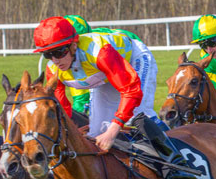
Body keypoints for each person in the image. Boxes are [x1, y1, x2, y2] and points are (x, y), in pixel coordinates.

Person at [33, 16, 169, 154]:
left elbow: (131, 90)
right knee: (96, 130)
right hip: (103, 71)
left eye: (59, 52)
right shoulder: (53, 69)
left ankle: (175, 150)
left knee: (138, 115)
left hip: (133, 58)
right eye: (48, 54)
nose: (55, 60)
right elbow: (63, 111)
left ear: (74, 45)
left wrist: (113, 130)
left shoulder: (100, 53)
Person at [63, 15, 153, 115]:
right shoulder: (63, 59)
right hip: (111, 60)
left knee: (137, 110)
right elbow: (80, 99)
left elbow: (129, 90)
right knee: (100, 112)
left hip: (134, 53)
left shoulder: (94, 49)